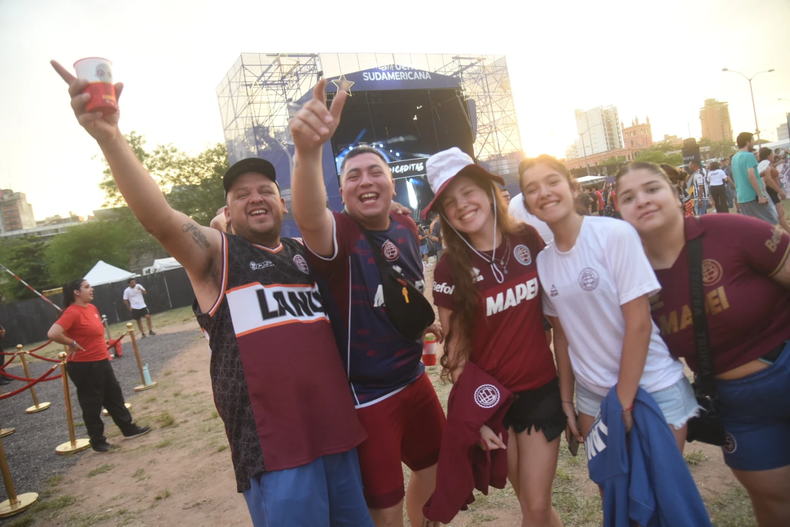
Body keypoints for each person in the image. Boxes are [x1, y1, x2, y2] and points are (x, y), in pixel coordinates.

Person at [52, 61, 373, 527]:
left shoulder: (305, 254)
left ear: (282, 202)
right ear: (227, 210)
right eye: (242, 194)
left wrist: (309, 153)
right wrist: (110, 138)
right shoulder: (219, 256)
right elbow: (159, 219)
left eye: (266, 189)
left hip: (338, 436)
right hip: (274, 449)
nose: (256, 197)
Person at [289, 80, 445, 527]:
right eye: (352, 176)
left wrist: (422, 325)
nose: (365, 180)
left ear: (390, 181)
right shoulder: (337, 235)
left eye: (374, 171)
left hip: (415, 379)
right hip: (368, 396)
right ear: (341, 193)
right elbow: (307, 214)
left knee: (434, 474)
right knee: (385, 508)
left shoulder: (406, 228)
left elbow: (403, 292)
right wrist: (307, 151)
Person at [615, 161, 790, 527]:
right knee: (774, 501)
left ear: (676, 195)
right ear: (618, 212)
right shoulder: (628, 277)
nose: (642, 201)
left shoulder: (730, 230)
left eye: (652, 189)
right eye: (629, 197)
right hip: (739, 405)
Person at [518, 155, 697, 457]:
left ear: (573, 188)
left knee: (658, 493)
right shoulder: (544, 262)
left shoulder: (613, 234)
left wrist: (623, 402)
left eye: (552, 182)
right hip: (592, 396)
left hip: (652, 387)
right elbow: (562, 336)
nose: (544, 193)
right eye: (532, 189)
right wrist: (566, 400)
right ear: (526, 203)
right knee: (611, 492)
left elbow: (639, 324)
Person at [426, 148, 565, 527]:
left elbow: (558, 310)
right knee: (531, 505)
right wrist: (475, 419)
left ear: (488, 189)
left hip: (540, 391)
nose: (462, 206)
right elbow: (455, 351)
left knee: (536, 505)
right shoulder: (449, 267)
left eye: (468, 191)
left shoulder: (528, 238)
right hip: (493, 403)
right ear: (444, 215)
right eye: (450, 202)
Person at [47, 278, 150, 452]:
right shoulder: (72, 312)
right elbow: (53, 333)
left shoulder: (92, 308)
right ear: (76, 292)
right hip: (84, 365)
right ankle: (97, 440)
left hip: (101, 360)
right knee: (92, 403)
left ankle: (128, 429)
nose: (91, 289)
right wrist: (72, 343)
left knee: (114, 395)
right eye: (87, 287)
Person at [732, 132, 778, 225]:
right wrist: (760, 195)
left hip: (742, 198)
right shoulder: (749, 156)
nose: (753, 142)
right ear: (747, 142)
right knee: (771, 222)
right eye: (752, 140)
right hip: (754, 197)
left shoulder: (734, 158)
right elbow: (751, 175)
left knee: (753, 226)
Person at [758, 147, 790, 235]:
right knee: (780, 214)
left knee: (780, 213)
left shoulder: (766, 164)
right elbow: (768, 179)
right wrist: (779, 190)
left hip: (771, 191)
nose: (773, 156)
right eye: (772, 154)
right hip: (771, 191)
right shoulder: (766, 164)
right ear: (768, 156)